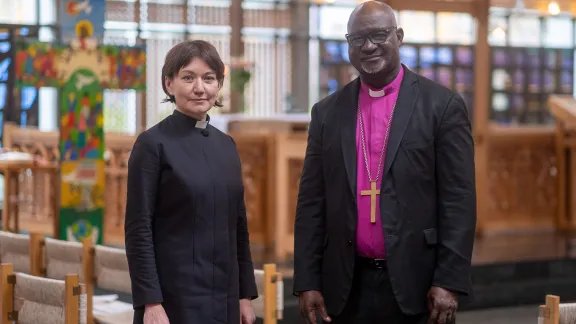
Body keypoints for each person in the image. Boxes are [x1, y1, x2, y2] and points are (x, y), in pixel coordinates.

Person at [293, 1, 476, 324]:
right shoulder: (327, 113)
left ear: (399, 37)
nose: (368, 46)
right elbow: (311, 202)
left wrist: (449, 280)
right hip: (346, 286)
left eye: (379, 35)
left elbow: (459, 200)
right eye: (357, 39)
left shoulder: (441, 106)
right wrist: (307, 279)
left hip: (418, 283)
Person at [125, 40, 258, 324]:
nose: (200, 88)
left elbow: (239, 225)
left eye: (209, 78)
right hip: (173, 299)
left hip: (224, 296)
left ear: (219, 84)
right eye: (188, 77)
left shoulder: (227, 146)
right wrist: (150, 301)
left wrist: (244, 295)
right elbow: (138, 229)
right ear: (169, 84)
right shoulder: (152, 144)